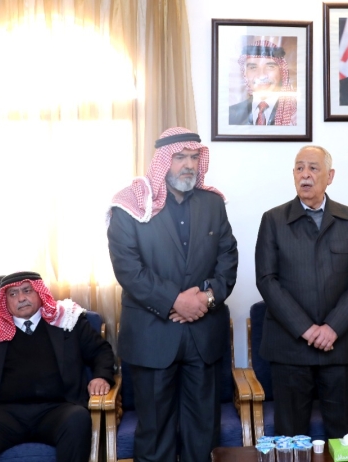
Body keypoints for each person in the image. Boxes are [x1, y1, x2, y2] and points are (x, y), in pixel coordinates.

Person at [107, 127, 238, 462]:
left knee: (204, 436)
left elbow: (228, 259)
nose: (189, 165)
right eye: (180, 157)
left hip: (203, 336)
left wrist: (205, 299)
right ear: (163, 161)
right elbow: (129, 270)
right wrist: (176, 301)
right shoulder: (130, 205)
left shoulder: (213, 203)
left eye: (194, 157)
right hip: (152, 336)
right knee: (155, 437)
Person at [255, 145, 348, 438]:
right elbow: (267, 280)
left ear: (330, 176)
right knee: (291, 439)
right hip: (290, 348)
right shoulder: (273, 220)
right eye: (299, 168)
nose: (305, 175)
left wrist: (332, 327)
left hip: (339, 347)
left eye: (313, 168)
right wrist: (306, 329)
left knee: (342, 437)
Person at [0, 271, 113, 462]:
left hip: (57, 409)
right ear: (5, 301)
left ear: (39, 292)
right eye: (13, 294)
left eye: (27, 290)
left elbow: (101, 351)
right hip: (5, 414)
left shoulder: (66, 320)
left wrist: (100, 376)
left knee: (77, 420)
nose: (21, 298)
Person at [229, 40, 297, 126]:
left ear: (282, 72)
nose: (261, 76)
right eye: (253, 67)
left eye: (270, 67)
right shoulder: (230, 114)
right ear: (245, 74)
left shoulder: (296, 116)